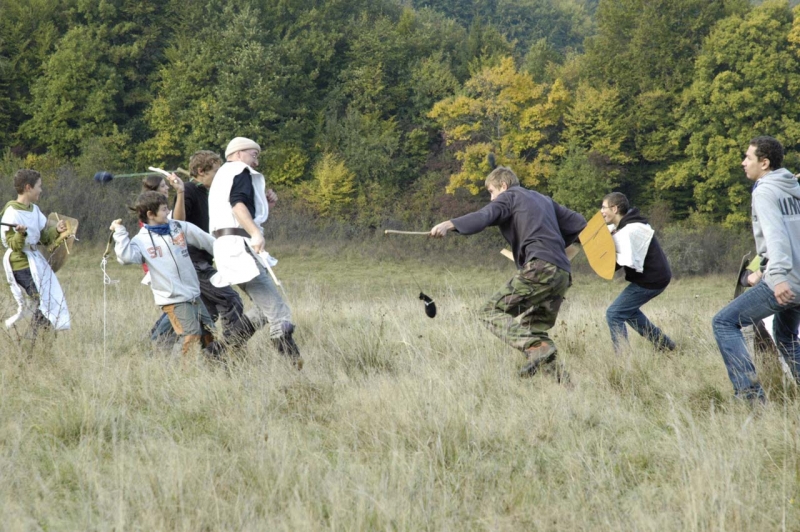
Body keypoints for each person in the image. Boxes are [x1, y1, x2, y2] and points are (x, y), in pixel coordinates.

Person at [429, 165, 586, 379]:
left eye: (491, 192)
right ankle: (564, 386)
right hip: (561, 274)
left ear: (503, 185)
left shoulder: (510, 196)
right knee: (533, 330)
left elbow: (484, 215)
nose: (492, 199)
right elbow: (579, 224)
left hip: (540, 268)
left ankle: (535, 348)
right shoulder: (544, 200)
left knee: (489, 312)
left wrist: (450, 224)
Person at [712, 135, 800, 403]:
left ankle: (750, 396)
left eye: (748, 157)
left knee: (724, 323)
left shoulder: (764, 191)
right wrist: (761, 270)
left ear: (764, 163)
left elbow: (776, 237)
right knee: (785, 337)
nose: (743, 162)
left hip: (785, 281)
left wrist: (779, 276)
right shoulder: (793, 187)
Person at [207, 137, 301, 367]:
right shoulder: (239, 170)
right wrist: (256, 233)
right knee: (278, 311)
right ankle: (293, 364)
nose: (256, 162)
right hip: (238, 248)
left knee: (263, 308)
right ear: (238, 154)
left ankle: (219, 349)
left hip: (229, 247)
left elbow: (238, 208)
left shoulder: (224, 175)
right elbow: (237, 206)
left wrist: (264, 204)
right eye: (254, 155)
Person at [111, 191, 219, 359]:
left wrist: (226, 253)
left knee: (210, 333)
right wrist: (119, 232)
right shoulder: (141, 240)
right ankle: (184, 370)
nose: (168, 212)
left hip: (193, 293)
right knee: (191, 334)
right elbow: (126, 257)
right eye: (164, 209)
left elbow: (206, 240)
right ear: (150, 214)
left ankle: (214, 365)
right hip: (173, 298)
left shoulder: (178, 227)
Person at [181, 150, 255, 348]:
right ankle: (232, 349)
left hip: (206, 259)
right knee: (230, 300)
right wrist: (179, 192)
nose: (220, 176)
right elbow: (178, 222)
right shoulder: (188, 190)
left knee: (207, 312)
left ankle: (206, 353)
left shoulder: (213, 194)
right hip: (193, 262)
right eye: (216, 171)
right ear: (201, 171)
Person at [600, 192, 675, 352]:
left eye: (604, 207)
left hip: (651, 281)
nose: (601, 211)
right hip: (655, 278)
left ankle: (623, 358)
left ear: (614, 209)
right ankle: (666, 346)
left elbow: (617, 263)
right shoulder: (626, 225)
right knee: (629, 312)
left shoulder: (631, 230)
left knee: (614, 314)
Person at [0, 169, 71, 336]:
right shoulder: (11, 212)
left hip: (35, 260)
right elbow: (13, 245)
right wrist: (20, 234)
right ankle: (31, 342)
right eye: (39, 186)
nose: (41, 189)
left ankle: (40, 341)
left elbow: (43, 237)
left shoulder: (34, 210)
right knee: (42, 301)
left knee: (49, 301)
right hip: (20, 264)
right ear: (28, 187)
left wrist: (56, 230)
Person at [140, 172, 185, 347]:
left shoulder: (159, 210)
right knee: (175, 306)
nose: (167, 188)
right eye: (163, 186)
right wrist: (180, 192)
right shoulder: (152, 212)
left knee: (174, 305)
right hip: (159, 265)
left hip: (165, 264)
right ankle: (155, 339)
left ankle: (154, 339)